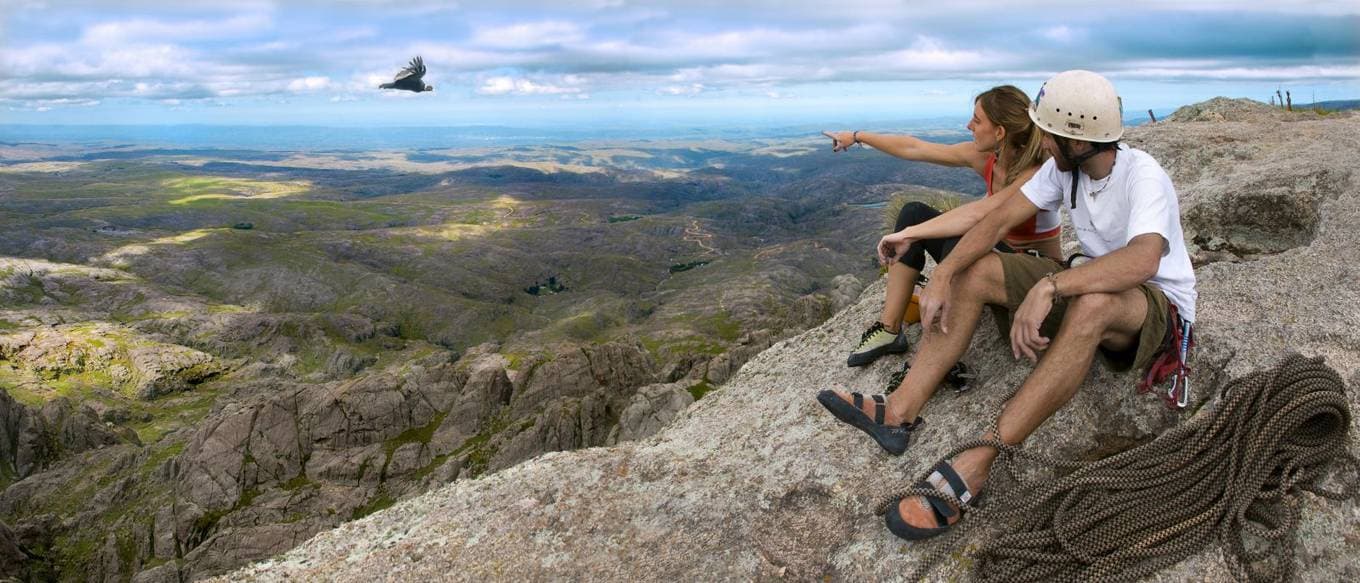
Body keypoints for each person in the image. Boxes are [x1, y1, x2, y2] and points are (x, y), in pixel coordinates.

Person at [817, 70, 1198, 540]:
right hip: (1091, 283)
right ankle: (898, 410)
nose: (1042, 139)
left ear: (1076, 141)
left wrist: (1051, 288)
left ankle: (981, 459)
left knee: (1094, 303)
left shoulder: (1144, 177)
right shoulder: (1065, 169)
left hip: (1154, 306)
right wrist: (948, 275)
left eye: (1050, 133)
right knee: (979, 269)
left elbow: (1143, 260)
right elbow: (996, 221)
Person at [824, 85, 1058, 369]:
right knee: (913, 212)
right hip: (996, 256)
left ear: (999, 133)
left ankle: (940, 359)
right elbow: (915, 148)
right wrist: (857, 136)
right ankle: (889, 329)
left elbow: (979, 214)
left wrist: (907, 235)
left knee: (956, 240)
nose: (968, 125)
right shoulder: (986, 158)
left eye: (977, 120)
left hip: (1027, 275)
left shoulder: (1035, 174)